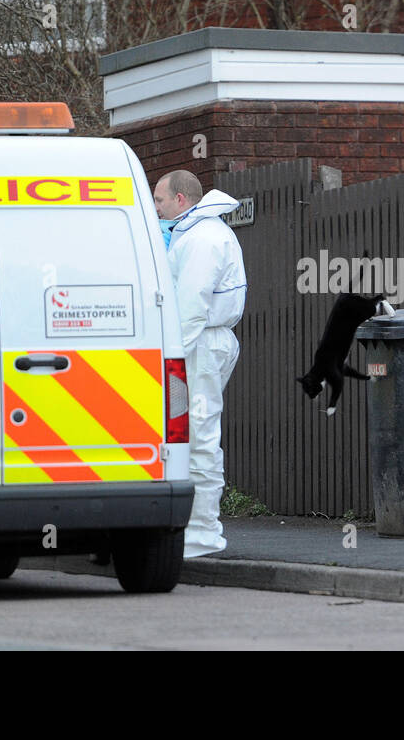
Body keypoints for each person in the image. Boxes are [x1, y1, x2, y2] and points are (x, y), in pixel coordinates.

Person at [153, 170, 247, 558]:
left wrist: (169, 357)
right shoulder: (198, 234)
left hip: (200, 346)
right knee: (192, 437)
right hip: (203, 343)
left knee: (199, 437)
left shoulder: (202, 239)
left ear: (179, 199)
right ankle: (196, 530)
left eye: (159, 200)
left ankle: (203, 533)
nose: (155, 207)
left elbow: (191, 307)